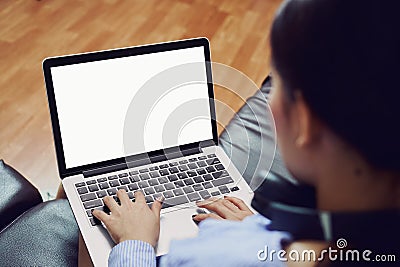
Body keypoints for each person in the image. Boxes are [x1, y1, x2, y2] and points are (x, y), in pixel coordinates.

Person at [92, 0, 400, 266]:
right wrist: (258, 232)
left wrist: (134, 243)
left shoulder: (215, 258)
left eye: (275, 84)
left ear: (305, 122)